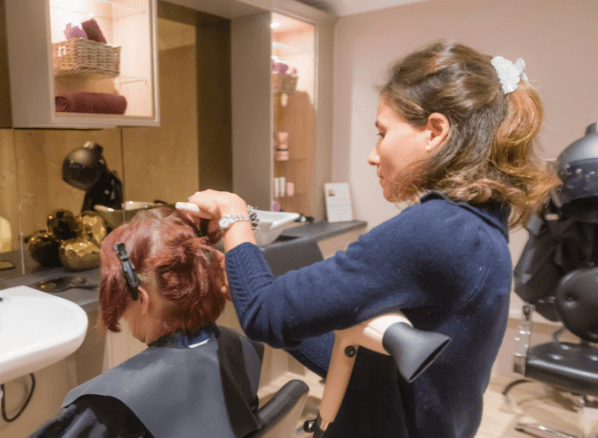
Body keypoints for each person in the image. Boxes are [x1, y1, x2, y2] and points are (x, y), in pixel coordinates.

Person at [185, 40, 560, 438]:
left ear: (435, 131)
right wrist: (248, 286)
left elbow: (265, 315)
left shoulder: (434, 230)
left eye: (382, 133)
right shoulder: (480, 226)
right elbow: (364, 368)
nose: (373, 154)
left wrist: (234, 215)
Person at [29, 206, 265, 438]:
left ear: (142, 298)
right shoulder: (242, 348)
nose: (122, 313)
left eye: (121, 297)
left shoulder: (105, 408)